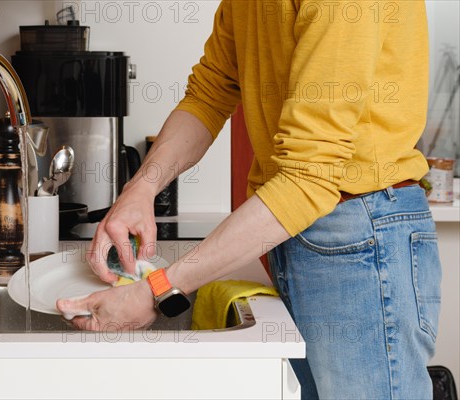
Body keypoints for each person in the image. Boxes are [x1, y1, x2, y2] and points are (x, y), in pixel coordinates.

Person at [57, 0, 442, 398]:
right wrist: (140, 189)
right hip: (298, 231)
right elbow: (209, 94)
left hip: (362, 234)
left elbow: (308, 177)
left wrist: (158, 290)